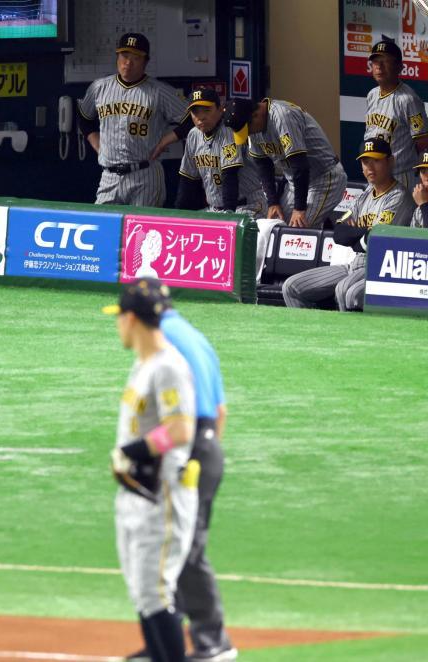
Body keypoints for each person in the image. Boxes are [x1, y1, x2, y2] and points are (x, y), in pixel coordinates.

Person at [127, 294, 236, 662]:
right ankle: (164, 640)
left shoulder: (165, 341)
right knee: (171, 547)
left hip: (189, 446)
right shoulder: (194, 336)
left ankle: (213, 641)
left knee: (184, 549)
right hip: (205, 446)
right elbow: (221, 411)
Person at [103, 278, 199, 662]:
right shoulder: (145, 364)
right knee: (143, 592)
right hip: (138, 492)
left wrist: (132, 451)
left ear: (131, 319)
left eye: (118, 318)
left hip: (162, 494)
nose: (117, 325)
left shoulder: (168, 367)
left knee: (156, 592)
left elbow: (180, 429)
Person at [282, 138, 415, 311]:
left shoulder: (399, 196)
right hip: (353, 265)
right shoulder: (363, 197)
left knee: (345, 290)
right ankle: (310, 335)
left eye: (376, 160)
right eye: (365, 162)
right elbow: (339, 234)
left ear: (390, 161)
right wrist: (363, 233)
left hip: (380, 268)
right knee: (291, 287)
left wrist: (358, 234)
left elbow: (376, 240)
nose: (370, 167)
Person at [78, 33, 191, 207]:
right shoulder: (99, 87)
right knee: (104, 229)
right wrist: (97, 144)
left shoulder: (159, 91)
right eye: (124, 56)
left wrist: (165, 142)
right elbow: (84, 117)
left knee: (142, 233)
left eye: (136, 58)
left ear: (146, 62)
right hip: (110, 177)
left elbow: (192, 118)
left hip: (145, 175)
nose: (128, 63)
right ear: (117, 57)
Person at [223, 97, 347, 229]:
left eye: (248, 129)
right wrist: (273, 202)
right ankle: (324, 224)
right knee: (275, 226)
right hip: (296, 183)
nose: (249, 134)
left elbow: (300, 166)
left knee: (295, 229)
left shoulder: (282, 116)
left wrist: (299, 208)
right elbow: (263, 165)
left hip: (324, 178)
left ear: (255, 114)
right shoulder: (253, 125)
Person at [175, 89, 267, 217]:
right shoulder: (193, 135)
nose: (200, 117)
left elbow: (230, 175)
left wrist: (228, 214)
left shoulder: (229, 130)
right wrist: (178, 214)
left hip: (247, 205)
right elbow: (188, 179)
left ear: (220, 109)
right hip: (215, 209)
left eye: (207, 110)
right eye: (195, 112)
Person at [364, 39, 428, 191]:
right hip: (376, 175)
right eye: (375, 61)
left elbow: (423, 143)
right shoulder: (372, 95)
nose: (379, 66)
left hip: (401, 178)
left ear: (399, 67)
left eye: (386, 61)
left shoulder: (408, 100)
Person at [412, 150, 428, 228]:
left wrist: (424, 205)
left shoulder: (422, 205)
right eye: (423, 171)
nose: (427, 176)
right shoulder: (419, 210)